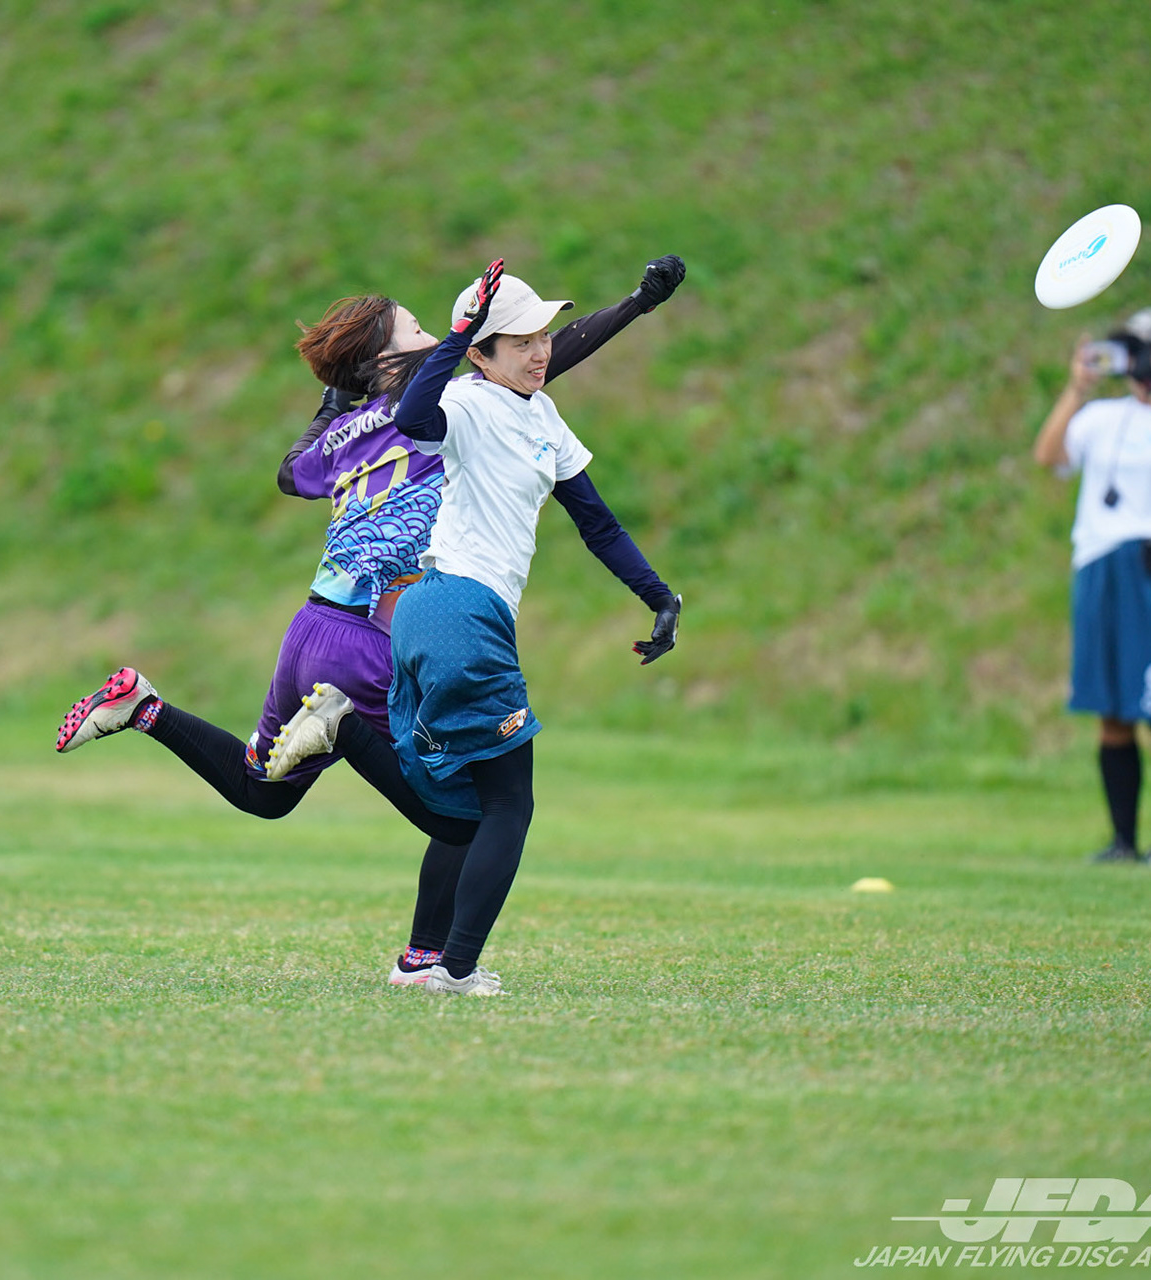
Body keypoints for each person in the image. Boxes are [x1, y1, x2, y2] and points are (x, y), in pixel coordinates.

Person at [56, 257, 685, 984]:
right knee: (464, 808)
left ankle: (145, 708)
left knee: (263, 794)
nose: (433, 334)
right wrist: (635, 306)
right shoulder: (443, 404)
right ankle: (428, 953)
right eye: (415, 329)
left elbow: (292, 473)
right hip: (376, 638)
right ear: (391, 360)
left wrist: (334, 399)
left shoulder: (346, 431)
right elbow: (537, 358)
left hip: (311, 628)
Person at [267, 260, 683, 995]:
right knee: (508, 805)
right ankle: (455, 968)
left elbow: (597, 521)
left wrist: (659, 596)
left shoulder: (539, 415)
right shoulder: (458, 398)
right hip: (458, 611)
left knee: (458, 806)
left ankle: (421, 958)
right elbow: (413, 416)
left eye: (543, 335)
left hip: (430, 613)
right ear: (480, 355)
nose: (541, 350)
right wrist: (459, 334)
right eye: (521, 341)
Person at [1032, 307, 1151, 868]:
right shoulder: (1098, 419)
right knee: (1111, 709)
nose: (1139, 362)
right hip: (1100, 562)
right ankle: (1122, 841)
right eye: (1132, 351)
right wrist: (1077, 388)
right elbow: (1048, 456)